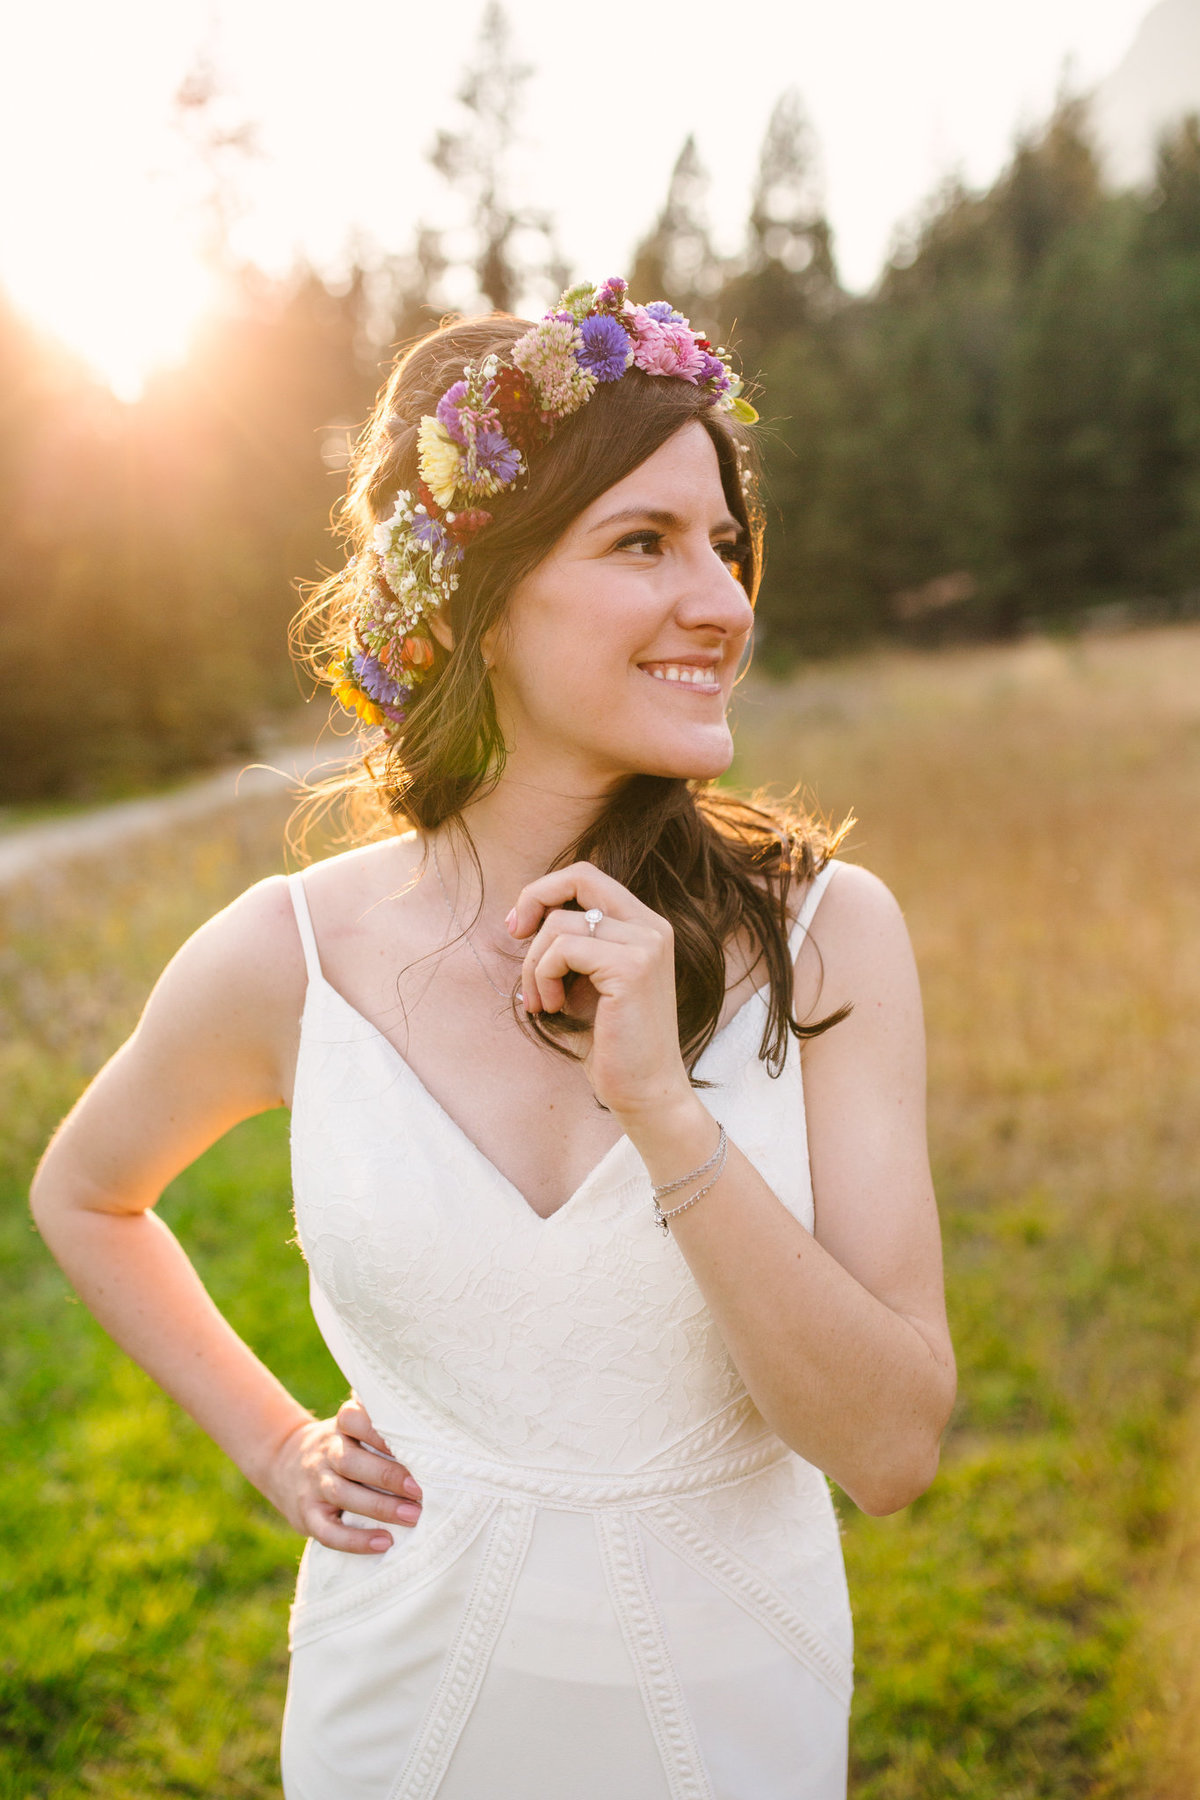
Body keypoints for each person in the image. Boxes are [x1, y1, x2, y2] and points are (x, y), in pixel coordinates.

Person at [31, 278, 955, 1800]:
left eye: (724, 545)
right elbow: (86, 1193)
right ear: (480, 599)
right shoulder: (294, 956)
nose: (721, 601)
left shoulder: (829, 936)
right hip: (402, 1710)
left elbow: (892, 1453)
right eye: (644, 544)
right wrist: (275, 1450)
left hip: (724, 1715)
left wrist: (670, 1117)